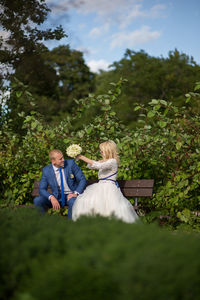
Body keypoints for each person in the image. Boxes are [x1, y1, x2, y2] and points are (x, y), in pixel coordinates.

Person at [72, 140, 139, 223]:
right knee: (85, 201)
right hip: (100, 186)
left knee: (108, 209)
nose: (100, 152)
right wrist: (81, 158)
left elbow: (98, 165)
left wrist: (82, 157)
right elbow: (91, 166)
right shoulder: (104, 161)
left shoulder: (112, 161)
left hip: (109, 188)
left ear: (108, 151)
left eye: (102, 150)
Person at [34, 149, 87, 219]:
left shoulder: (71, 164)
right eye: (60, 159)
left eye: (63, 157)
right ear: (53, 162)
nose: (63, 160)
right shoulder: (46, 170)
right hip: (56, 196)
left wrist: (76, 193)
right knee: (37, 200)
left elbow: (82, 179)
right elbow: (41, 189)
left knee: (73, 202)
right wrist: (51, 197)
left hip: (71, 196)